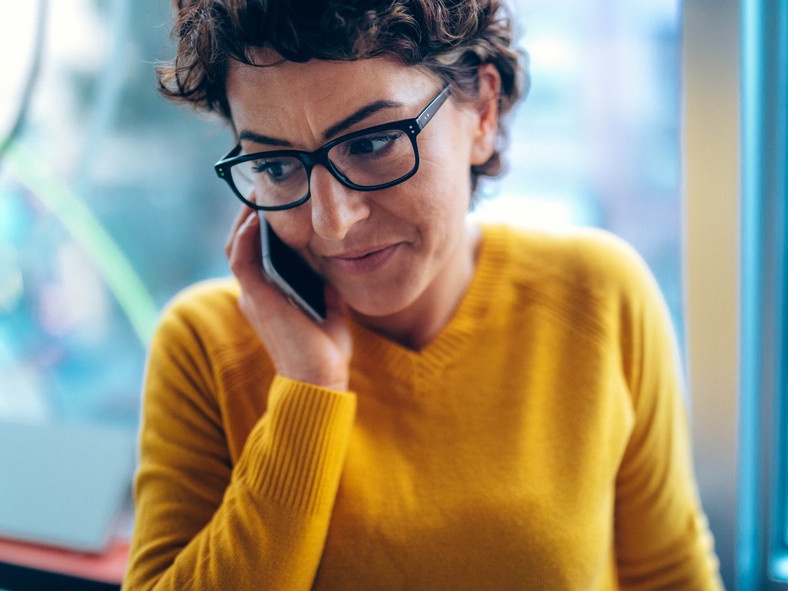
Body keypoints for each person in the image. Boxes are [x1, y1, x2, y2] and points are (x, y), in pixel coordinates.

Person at [122, 0, 723, 589]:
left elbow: (671, 575)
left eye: (372, 143)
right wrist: (308, 388)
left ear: (483, 112)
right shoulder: (204, 346)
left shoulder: (597, 297)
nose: (333, 221)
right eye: (277, 166)